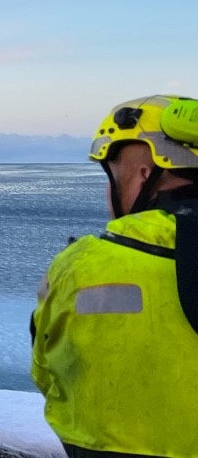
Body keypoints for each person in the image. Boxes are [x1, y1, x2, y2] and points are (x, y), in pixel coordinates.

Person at [31, 95, 198, 457]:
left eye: (113, 175)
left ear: (144, 174)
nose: (109, 192)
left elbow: (46, 370)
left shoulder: (80, 267)